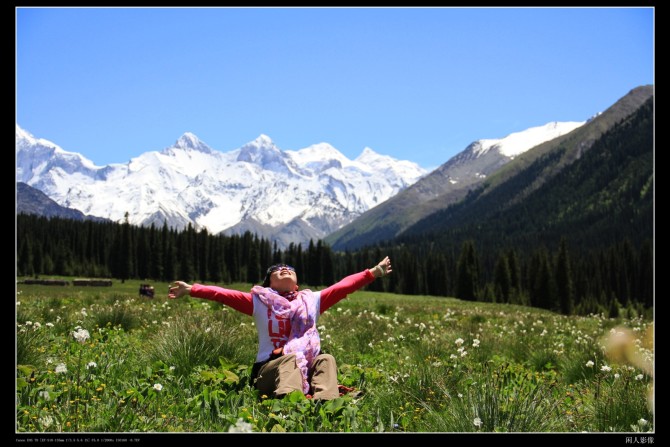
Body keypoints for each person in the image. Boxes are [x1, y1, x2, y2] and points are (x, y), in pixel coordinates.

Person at [168, 256, 392, 401]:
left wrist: (373, 272)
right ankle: (289, 404)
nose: (284, 269)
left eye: (289, 268)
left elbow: (343, 287)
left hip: (305, 367)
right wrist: (191, 289)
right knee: (288, 359)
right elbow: (223, 294)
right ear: (269, 283)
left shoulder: (311, 301)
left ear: (296, 283)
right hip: (268, 372)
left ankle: (326, 402)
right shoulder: (258, 301)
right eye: (277, 269)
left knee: (326, 359)